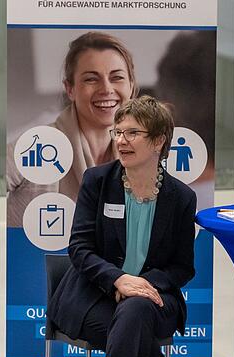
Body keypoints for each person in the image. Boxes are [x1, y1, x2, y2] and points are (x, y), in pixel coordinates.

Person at [46, 96, 196, 357]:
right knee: (138, 333)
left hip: (153, 299)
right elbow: (79, 248)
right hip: (92, 298)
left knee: (137, 312)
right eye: (118, 132)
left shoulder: (181, 197)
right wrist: (118, 280)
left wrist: (141, 285)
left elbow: (182, 267)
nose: (122, 141)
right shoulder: (98, 181)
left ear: (160, 140)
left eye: (133, 133)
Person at [7, 31, 138, 226]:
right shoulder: (38, 146)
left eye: (116, 77)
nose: (106, 89)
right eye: (91, 79)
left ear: (131, 86)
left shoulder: (144, 153)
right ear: (70, 89)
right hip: (36, 256)